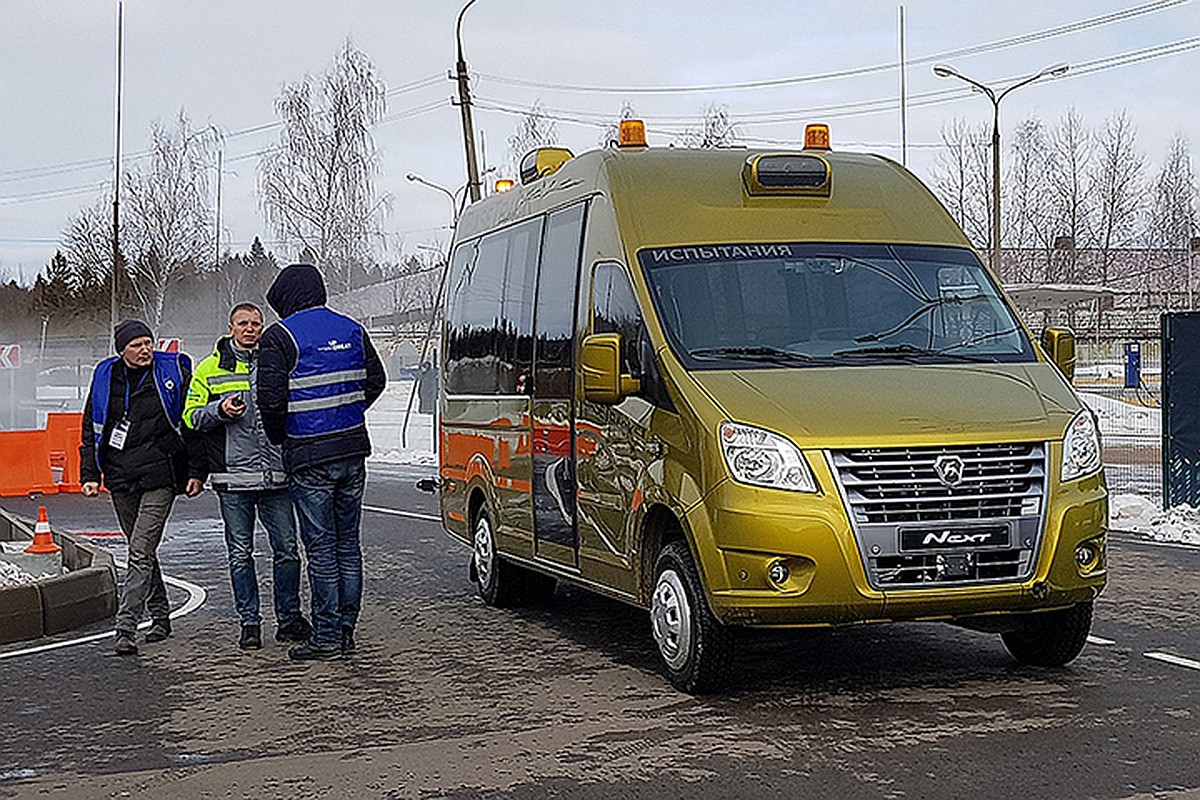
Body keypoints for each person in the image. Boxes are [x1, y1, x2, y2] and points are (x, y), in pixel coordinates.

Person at [258, 264, 386, 661]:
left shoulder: (279, 337)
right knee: (349, 545)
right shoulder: (352, 329)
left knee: (321, 549)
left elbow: (271, 400)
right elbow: (376, 380)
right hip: (351, 450)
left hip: (309, 454)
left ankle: (326, 636)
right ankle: (347, 630)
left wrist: (284, 437)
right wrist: (348, 413)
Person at [184, 303, 311, 651]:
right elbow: (191, 417)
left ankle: (288, 619)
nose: (250, 329)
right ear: (231, 327)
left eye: (256, 323)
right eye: (244, 323)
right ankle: (250, 623)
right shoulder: (209, 368)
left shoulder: (279, 362)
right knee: (240, 554)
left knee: (287, 551)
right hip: (233, 479)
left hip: (276, 477)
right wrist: (219, 410)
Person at [80, 320, 204, 656]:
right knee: (142, 549)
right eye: (136, 345)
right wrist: (89, 474)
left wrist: (196, 470)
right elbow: (91, 426)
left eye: (148, 343)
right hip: (120, 476)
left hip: (160, 475)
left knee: (138, 550)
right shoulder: (106, 376)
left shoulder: (172, 371)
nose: (145, 349)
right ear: (122, 350)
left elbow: (190, 422)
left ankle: (126, 627)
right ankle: (161, 616)